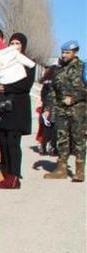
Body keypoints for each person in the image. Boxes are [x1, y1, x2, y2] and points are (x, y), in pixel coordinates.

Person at [0, 33, 35, 189]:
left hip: (18, 109)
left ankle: (14, 176)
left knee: (12, 143)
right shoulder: (4, 60)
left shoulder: (27, 63)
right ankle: (5, 172)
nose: (14, 46)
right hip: (3, 107)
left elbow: (26, 85)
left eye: (17, 43)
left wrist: (6, 87)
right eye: (12, 43)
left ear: (23, 46)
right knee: (2, 142)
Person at [42, 40, 86, 182]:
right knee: (61, 138)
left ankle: (79, 170)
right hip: (60, 109)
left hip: (77, 109)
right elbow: (53, 90)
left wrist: (74, 99)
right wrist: (48, 108)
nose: (64, 55)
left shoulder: (82, 68)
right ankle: (61, 168)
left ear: (75, 53)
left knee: (78, 139)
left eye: (67, 52)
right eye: (63, 52)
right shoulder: (58, 69)